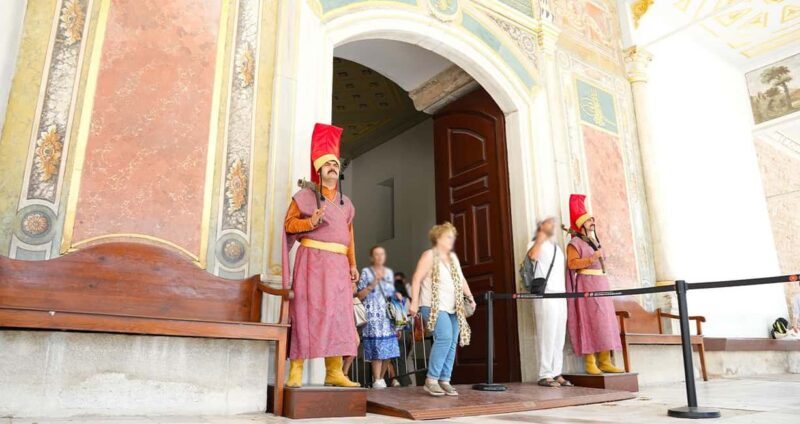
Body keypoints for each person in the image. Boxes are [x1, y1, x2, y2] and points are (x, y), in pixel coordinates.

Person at [282, 123, 360, 388]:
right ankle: (296, 368)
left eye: (336, 164)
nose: (332, 167)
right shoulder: (305, 196)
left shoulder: (346, 203)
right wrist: (310, 223)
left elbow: (349, 237)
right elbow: (289, 225)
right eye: (327, 164)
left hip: (339, 265)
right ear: (318, 169)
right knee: (306, 311)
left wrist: (353, 265)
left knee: (338, 314)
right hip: (311, 262)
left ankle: (334, 371)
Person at [409, 222, 476, 396]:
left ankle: (444, 379)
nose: (451, 240)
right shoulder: (429, 255)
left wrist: (470, 297)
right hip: (432, 305)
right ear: (438, 238)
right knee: (445, 337)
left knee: (452, 341)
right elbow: (416, 279)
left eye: (453, 237)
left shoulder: (452, 258)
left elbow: (461, 280)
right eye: (448, 236)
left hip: (453, 306)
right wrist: (414, 302)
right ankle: (431, 380)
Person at [565, 194, 624, 375]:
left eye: (592, 219)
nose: (593, 221)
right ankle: (590, 361)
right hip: (587, 285)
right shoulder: (574, 243)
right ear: (581, 223)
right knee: (590, 321)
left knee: (604, 322)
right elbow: (572, 264)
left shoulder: (594, 241)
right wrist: (592, 258)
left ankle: (605, 360)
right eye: (589, 220)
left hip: (601, 284)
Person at [526, 217, 571, 388]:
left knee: (559, 335)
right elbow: (532, 256)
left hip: (560, 295)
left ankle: (556, 371)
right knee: (547, 334)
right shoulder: (534, 243)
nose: (552, 226)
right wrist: (540, 236)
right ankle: (544, 374)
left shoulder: (557, 248)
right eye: (548, 223)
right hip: (546, 295)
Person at [357, 246, 400, 389]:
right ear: (371, 257)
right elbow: (360, 296)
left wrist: (397, 295)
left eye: (382, 254)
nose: (380, 257)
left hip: (387, 316)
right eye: (376, 254)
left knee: (390, 348)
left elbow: (390, 294)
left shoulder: (388, 273)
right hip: (373, 316)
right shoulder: (366, 272)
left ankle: (381, 378)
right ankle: (376, 379)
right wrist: (372, 284)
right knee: (376, 347)